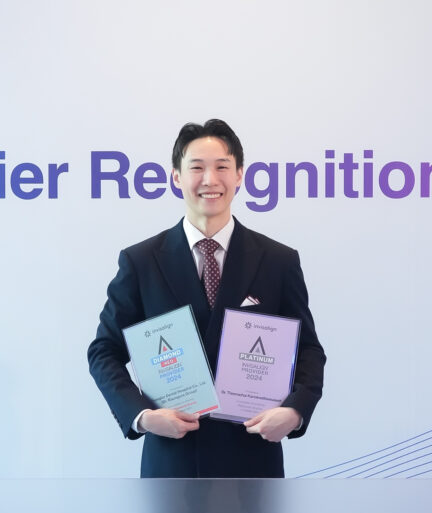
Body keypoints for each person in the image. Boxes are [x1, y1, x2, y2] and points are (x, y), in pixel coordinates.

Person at [88, 119, 326, 478]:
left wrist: (295, 411)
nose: (210, 179)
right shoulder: (141, 262)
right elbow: (104, 351)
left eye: (222, 167)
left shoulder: (278, 261)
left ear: (240, 175)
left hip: (252, 461)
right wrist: (142, 416)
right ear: (176, 176)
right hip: (173, 463)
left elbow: (308, 350)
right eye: (197, 167)